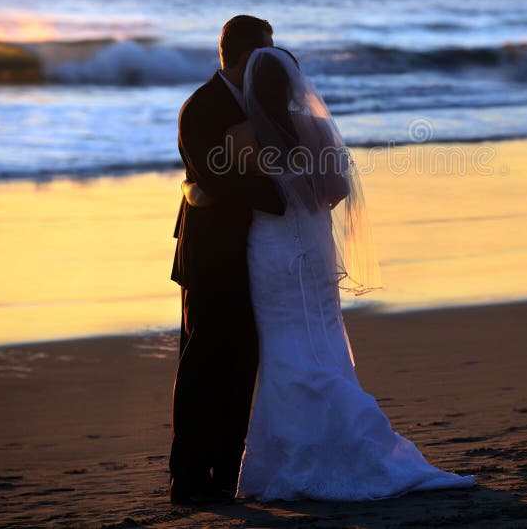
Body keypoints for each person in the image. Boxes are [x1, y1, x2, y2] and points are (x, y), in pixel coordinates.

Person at [182, 45, 475, 501]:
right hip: (316, 246)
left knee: (282, 345)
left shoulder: (243, 134)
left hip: (271, 250)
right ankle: (347, 426)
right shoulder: (318, 128)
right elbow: (337, 190)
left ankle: (292, 454)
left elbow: (213, 188)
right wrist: (305, 198)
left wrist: (203, 187)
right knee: (320, 334)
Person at [168, 15, 285, 505]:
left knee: (242, 366)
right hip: (210, 257)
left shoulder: (264, 104)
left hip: (255, 256)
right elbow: (212, 179)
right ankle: (187, 476)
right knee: (202, 364)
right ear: (239, 57)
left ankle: (224, 473)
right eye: (263, 53)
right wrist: (275, 195)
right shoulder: (200, 107)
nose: (271, 61)